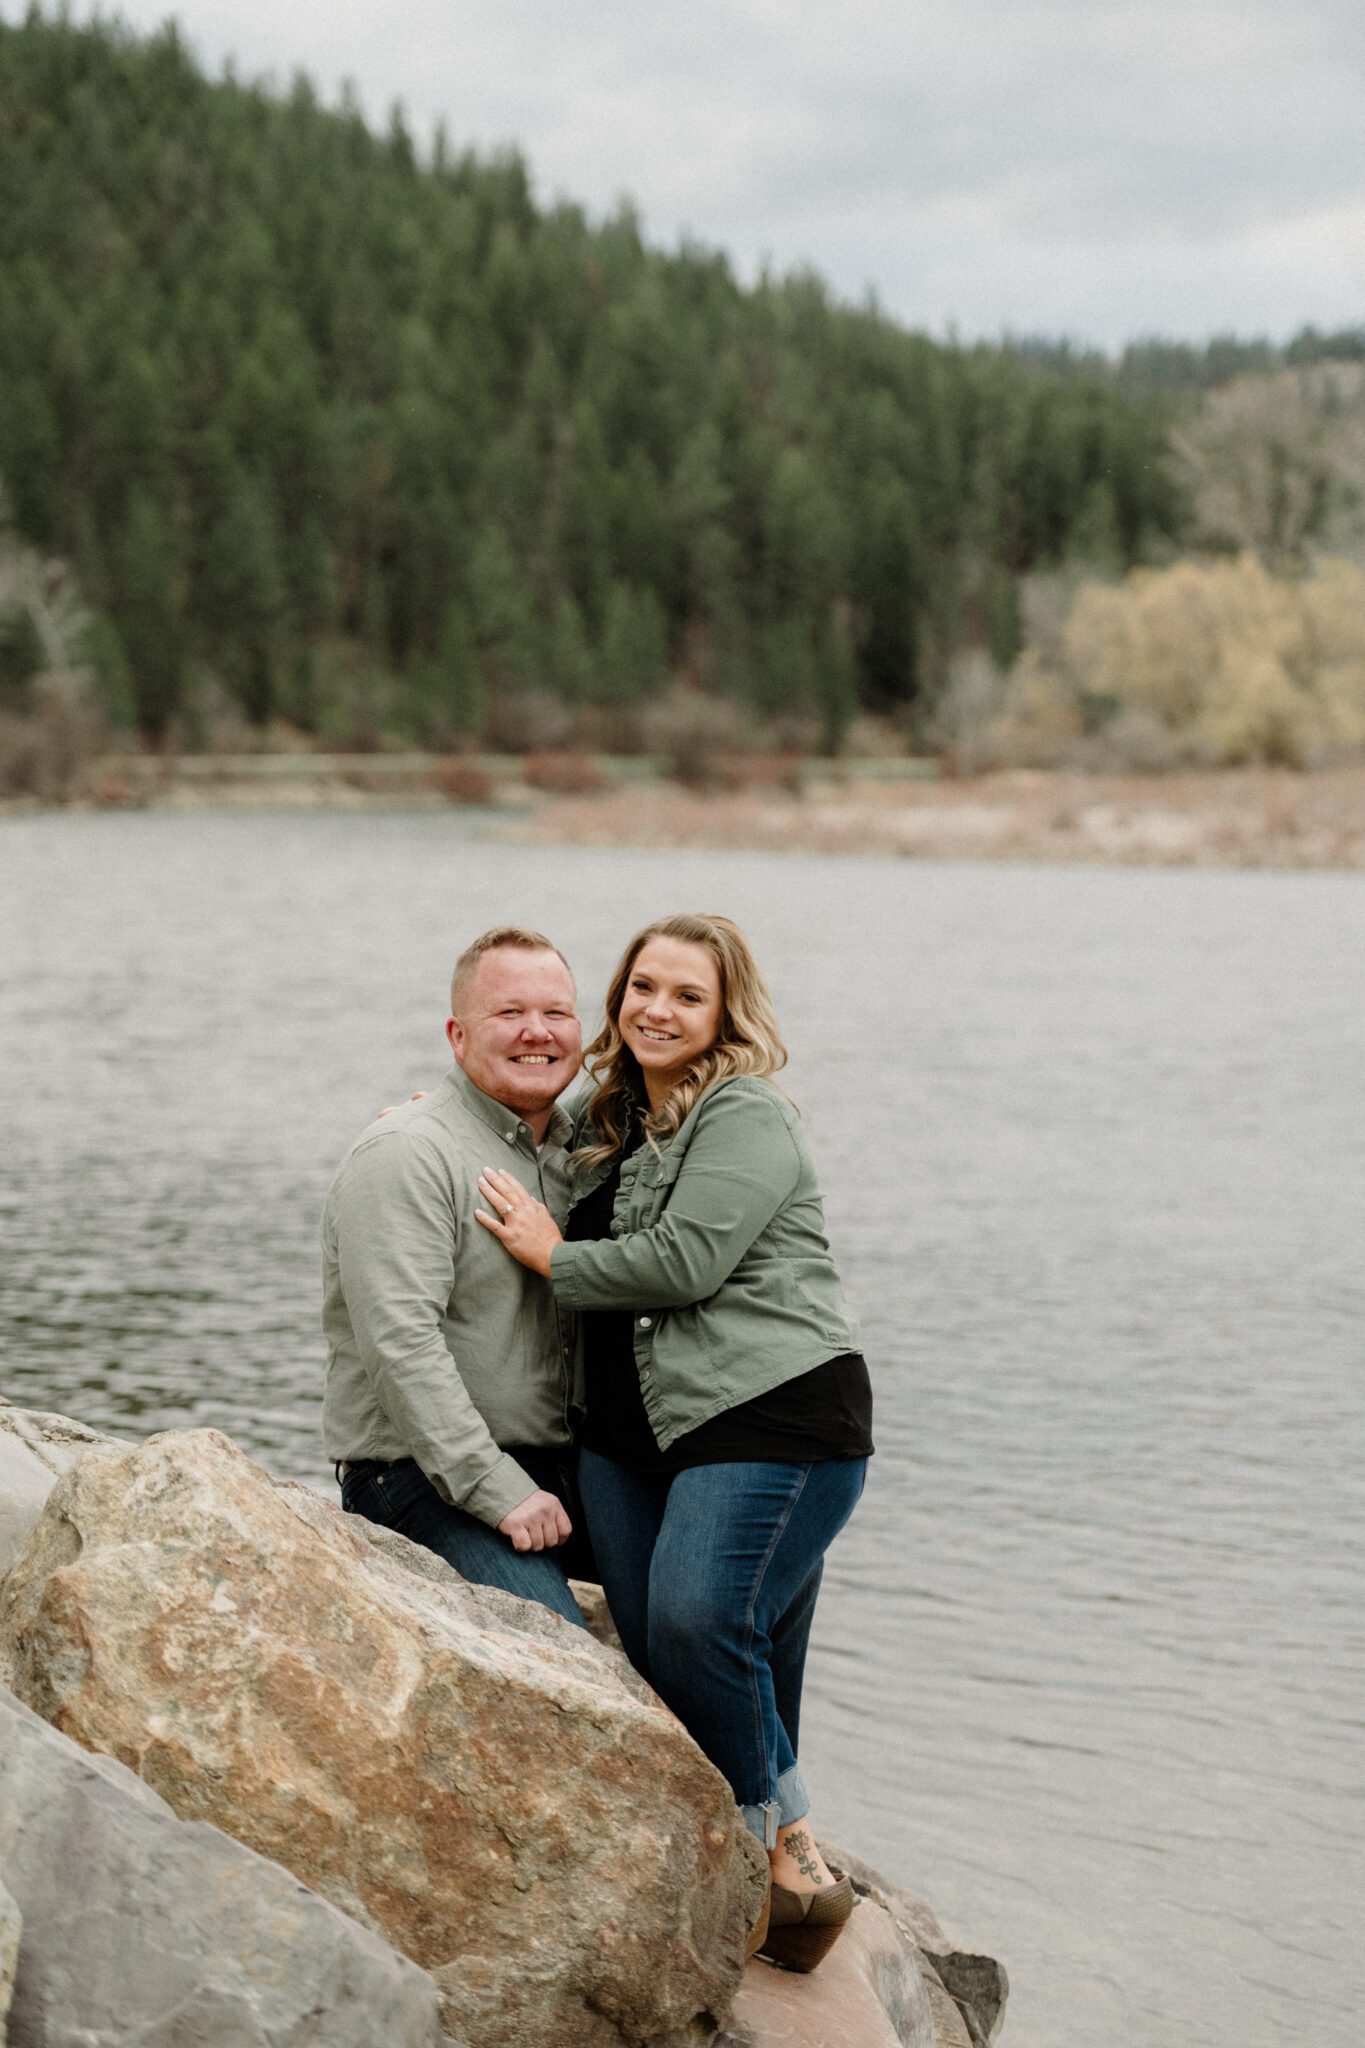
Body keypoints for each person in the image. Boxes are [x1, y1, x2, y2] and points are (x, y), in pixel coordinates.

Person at [474, 912, 873, 1972]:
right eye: (641, 986)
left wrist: (557, 1260)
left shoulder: (746, 1114)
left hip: (771, 1413)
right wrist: (431, 1125)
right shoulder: (612, 1117)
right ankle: (792, 1872)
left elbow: (687, 1260)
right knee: (669, 1644)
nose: (656, 1008)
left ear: (725, 1013)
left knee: (703, 1619)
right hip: (629, 1432)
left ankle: (766, 1852)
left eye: (686, 995)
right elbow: (509, 1142)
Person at [321, 925, 593, 1626]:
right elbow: (399, 1344)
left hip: (568, 1471)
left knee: (712, 1611)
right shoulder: (406, 1154)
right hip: (420, 1476)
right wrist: (496, 1488)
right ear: (457, 1034)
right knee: (554, 1652)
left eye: (556, 1014)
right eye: (509, 1014)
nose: (537, 1032)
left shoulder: (585, 1153)